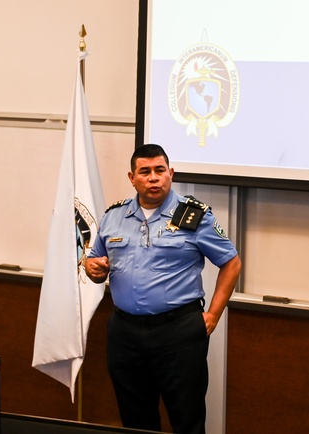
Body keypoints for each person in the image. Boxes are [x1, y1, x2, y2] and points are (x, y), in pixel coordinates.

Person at [84, 143, 241, 434]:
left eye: (160, 171)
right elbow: (95, 261)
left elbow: (231, 262)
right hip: (125, 333)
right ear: (132, 178)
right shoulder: (113, 216)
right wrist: (92, 267)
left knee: (187, 419)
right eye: (145, 172)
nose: (153, 178)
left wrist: (214, 315)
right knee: (136, 421)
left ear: (171, 173)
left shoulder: (193, 216)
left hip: (178, 333)